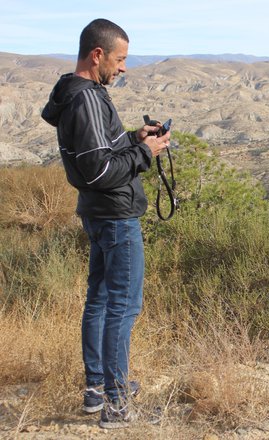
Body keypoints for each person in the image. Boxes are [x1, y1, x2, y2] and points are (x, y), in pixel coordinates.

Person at [41, 18, 170, 429]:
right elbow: (98, 171)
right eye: (120, 59)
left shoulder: (78, 94)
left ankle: (97, 389)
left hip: (97, 214)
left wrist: (134, 137)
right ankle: (116, 403)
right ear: (97, 55)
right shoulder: (87, 99)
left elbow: (97, 152)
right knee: (123, 307)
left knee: (98, 300)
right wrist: (145, 153)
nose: (124, 68)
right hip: (115, 216)